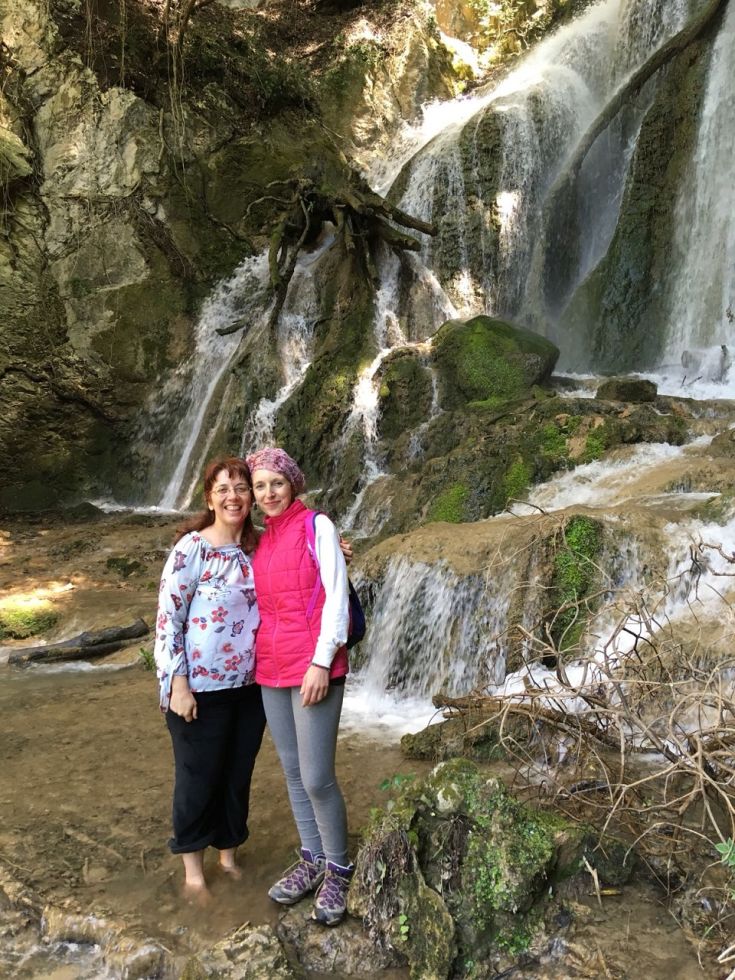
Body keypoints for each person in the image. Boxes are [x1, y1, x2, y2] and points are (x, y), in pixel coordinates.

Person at [245, 447, 353, 927]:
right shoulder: (261, 541)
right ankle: (310, 857)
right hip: (271, 666)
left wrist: (320, 662)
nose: (268, 493)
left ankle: (338, 867)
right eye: (260, 485)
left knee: (316, 777)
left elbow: (336, 598)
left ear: (293, 485)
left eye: (277, 484)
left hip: (314, 666)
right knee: (291, 771)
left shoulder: (318, 527)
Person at [153, 456, 265, 899]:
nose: (233, 496)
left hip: (252, 686)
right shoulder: (191, 549)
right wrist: (177, 683)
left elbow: (304, 553)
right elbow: (168, 620)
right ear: (209, 498)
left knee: (237, 775)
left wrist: (336, 549)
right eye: (223, 489)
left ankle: (228, 856)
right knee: (198, 777)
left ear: (252, 497)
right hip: (198, 689)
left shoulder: (259, 548)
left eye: (241, 487)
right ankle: (193, 874)